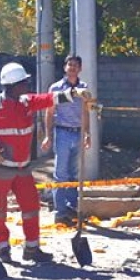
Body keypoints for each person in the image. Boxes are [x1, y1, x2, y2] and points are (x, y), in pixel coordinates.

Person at [0, 62, 93, 263]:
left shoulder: (26, 102)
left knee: (31, 207)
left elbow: (50, 98)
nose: (27, 86)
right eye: (23, 83)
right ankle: (2, 249)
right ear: (11, 85)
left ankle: (32, 249)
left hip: (23, 169)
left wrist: (76, 94)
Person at [42, 55, 91, 224]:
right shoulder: (55, 88)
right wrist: (48, 135)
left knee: (73, 173)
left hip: (77, 133)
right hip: (62, 133)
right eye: (69, 65)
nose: (72, 68)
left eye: (75, 65)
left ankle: (72, 208)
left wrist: (87, 133)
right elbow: (49, 112)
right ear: (65, 67)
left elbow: (86, 112)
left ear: (80, 68)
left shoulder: (84, 88)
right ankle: (60, 211)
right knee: (60, 173)